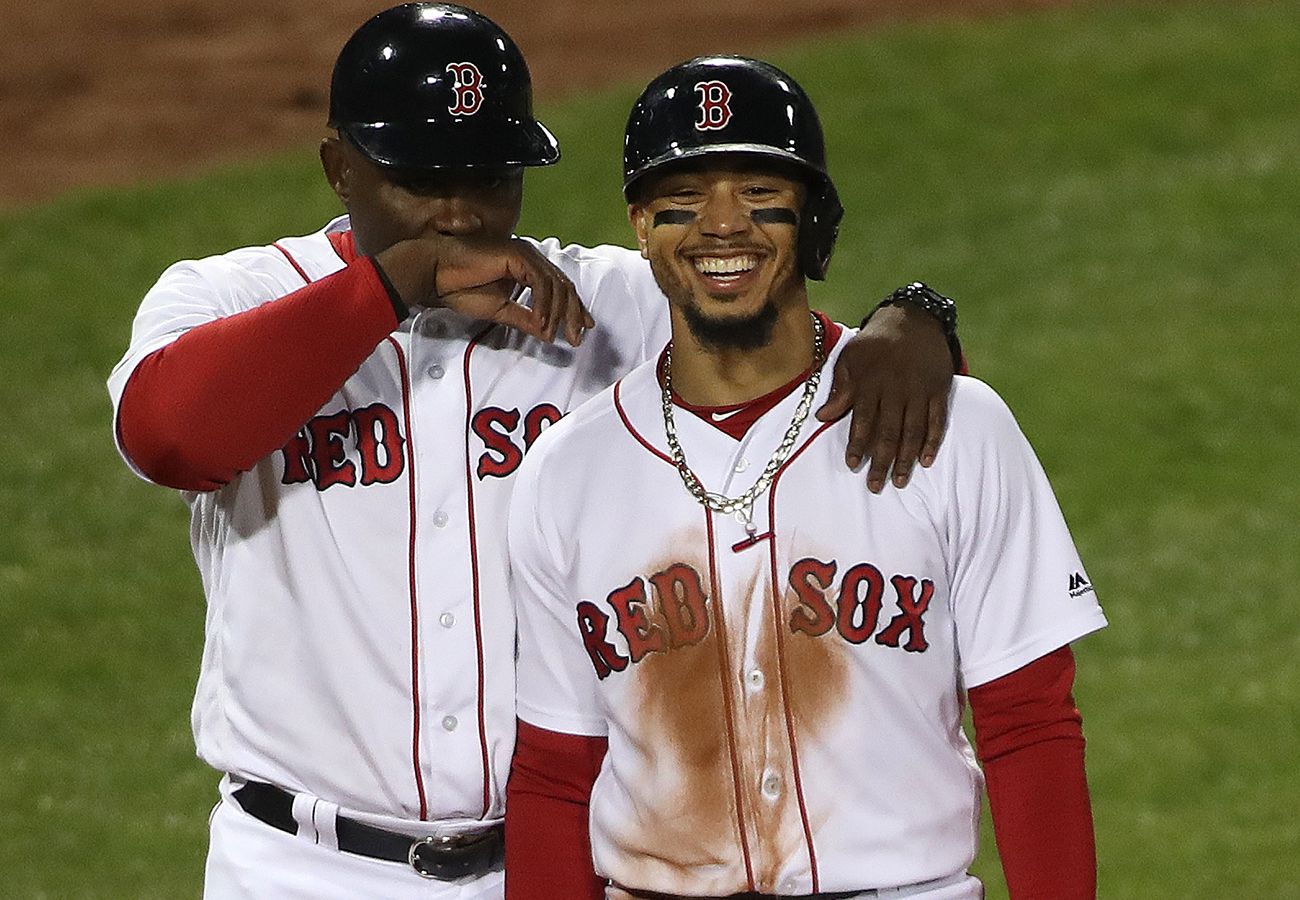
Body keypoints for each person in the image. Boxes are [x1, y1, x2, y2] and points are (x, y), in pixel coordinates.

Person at [106, 6, 963, 899]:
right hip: (301, 867)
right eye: (423, 177)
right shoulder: (230, 298)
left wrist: (917, 318)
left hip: (565, 858)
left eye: (487, 176)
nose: (458, 213)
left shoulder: (612, 308)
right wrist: (396, 286)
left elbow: (844, 374)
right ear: (339, 166)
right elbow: (169, 436)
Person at [505, 56, 1107, 900]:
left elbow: (1029, 724)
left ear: (810, 216)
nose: (723, 226)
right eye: (687, 195)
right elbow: (557, 775)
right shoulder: (566, 473)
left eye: (758, 191)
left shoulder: (952, 427)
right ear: (641, 222)